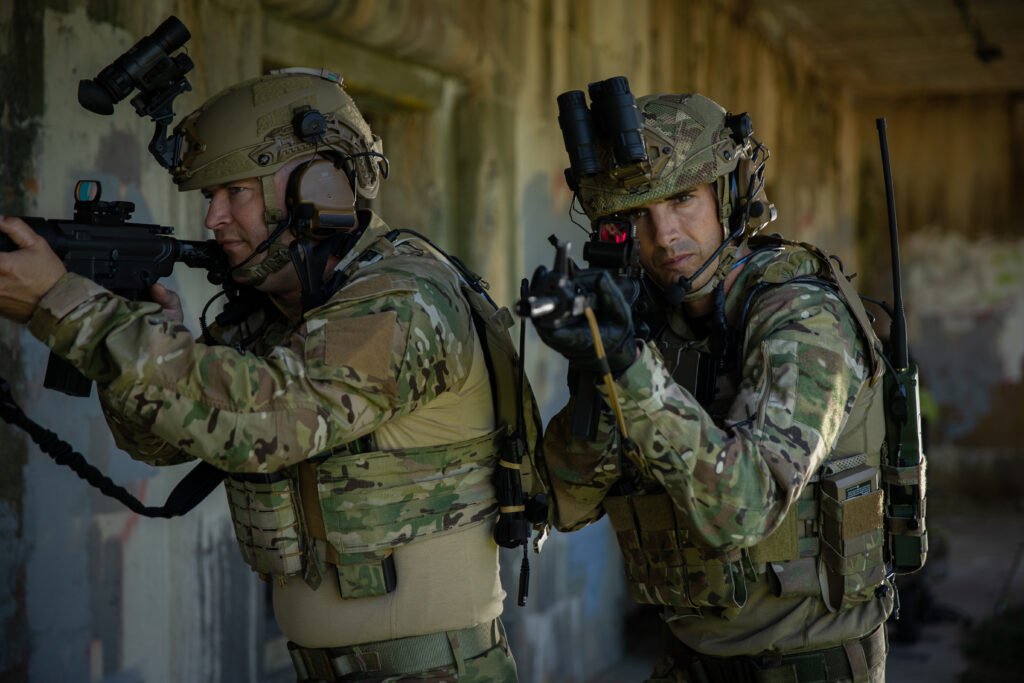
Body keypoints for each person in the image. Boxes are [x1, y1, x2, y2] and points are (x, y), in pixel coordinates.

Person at [0, 68, 536, 682]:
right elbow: (159, 441)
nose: (213, 219)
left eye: (235, 191)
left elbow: (269, 423)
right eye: (210, 197)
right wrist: (144, 332)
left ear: (321, 184)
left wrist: (68, 307)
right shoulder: (281, 311)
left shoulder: (402, 300)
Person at [531, 89, 894, 681]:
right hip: (686, 656)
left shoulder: (802, 317)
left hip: (807, 663)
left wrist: (628, 367)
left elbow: (744, 512)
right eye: (636, 215)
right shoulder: (652, 320)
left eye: (682, 199)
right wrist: (600, 371)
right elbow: (566, 503)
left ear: (729, 196)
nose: (664, 235)